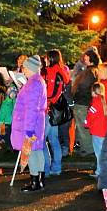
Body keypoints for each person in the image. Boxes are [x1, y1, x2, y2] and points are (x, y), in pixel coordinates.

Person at [11, 55, 47, 192]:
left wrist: (29, 129)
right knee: (37, 151)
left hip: (30, 123)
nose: (23, 70)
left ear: (31, 68)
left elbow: (32, 108)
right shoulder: (37, 81)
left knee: (31, 152)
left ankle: (34, 182)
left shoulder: (33, 83)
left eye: (24, 67)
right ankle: (39, 180)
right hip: (36, 122)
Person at [42, 49, 70, 177]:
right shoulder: (61, 70)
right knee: (54, 140)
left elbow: (50, 93)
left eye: (46, 58)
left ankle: (45, 169)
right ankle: (56, 168)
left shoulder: (52, 71)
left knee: (41, 141)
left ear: (51, 58)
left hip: (48, 110)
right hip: (55, 110)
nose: (44, 60)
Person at [70, 51, 99, 156]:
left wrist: (75, 92)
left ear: (91, 58)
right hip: (84, 102)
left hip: (82, 102)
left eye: (86, 57)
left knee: (83, 127)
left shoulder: (90, 72)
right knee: (82, 126)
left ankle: (88, 149)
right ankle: (84, 147)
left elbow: (83, 87)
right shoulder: (92, 71)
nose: (84, 59)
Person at [85, 82, 107, 178]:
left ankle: (100, 171)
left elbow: (90, 116)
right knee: (103, 151)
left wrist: (86, 123)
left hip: (97, 131)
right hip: (104, 130)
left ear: (93, 92)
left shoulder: (95, 102)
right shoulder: (104, 101)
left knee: (99, 153)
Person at [0, 84, 17, 149]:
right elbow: (2, 113)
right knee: (4, 135)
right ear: (8, 93)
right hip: (5, 123)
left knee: (10, 136)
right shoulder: (5, 103)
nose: (13, 95)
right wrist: (1, 122)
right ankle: (3, 145)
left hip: (12, 123)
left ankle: (10, 147)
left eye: (14, 93)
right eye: (12, 93)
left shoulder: (15, 102)